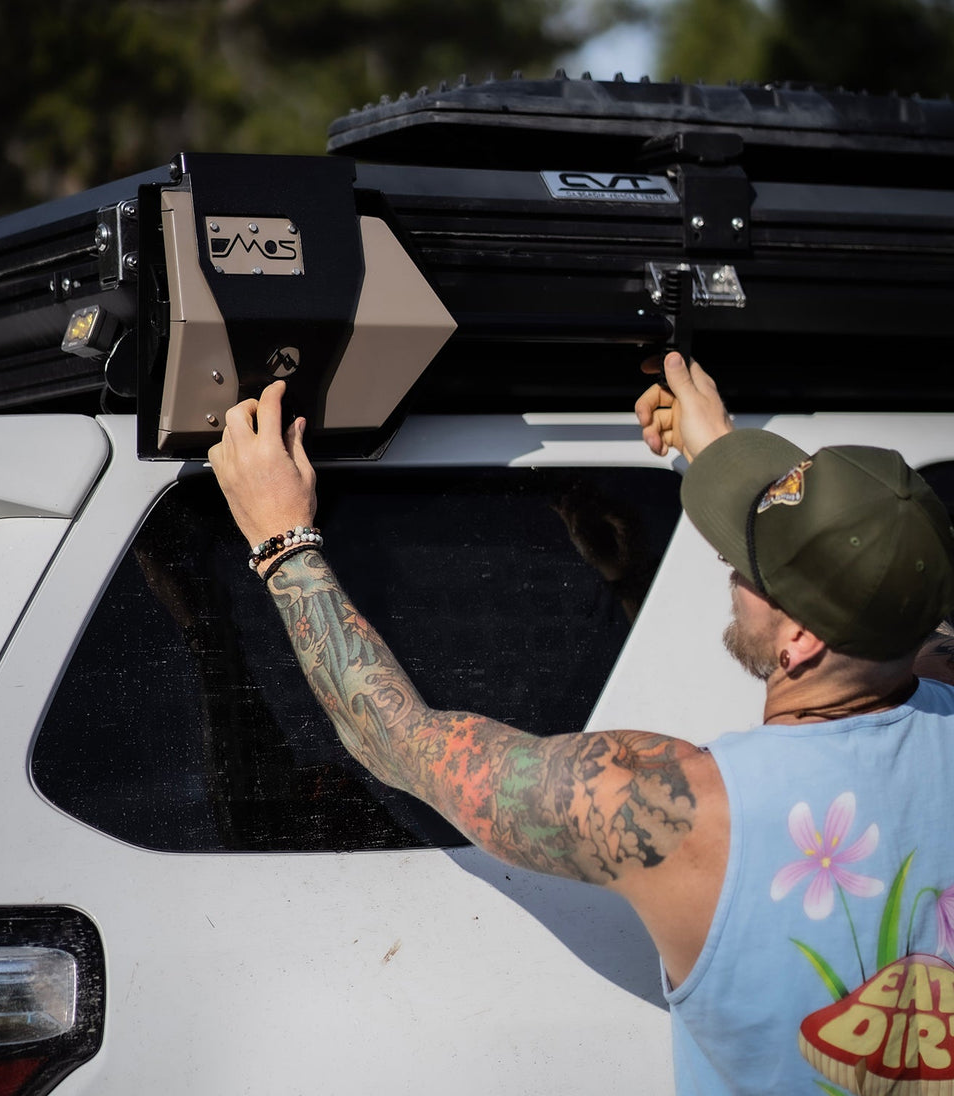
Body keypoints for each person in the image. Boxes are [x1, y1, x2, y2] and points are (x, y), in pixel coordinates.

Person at [209, 351, 954, 1095]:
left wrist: (281, 538)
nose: (729, 565)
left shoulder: (678, 812)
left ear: (801, 640)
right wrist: (726, 469)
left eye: (747, 563)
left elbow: (399, 740)